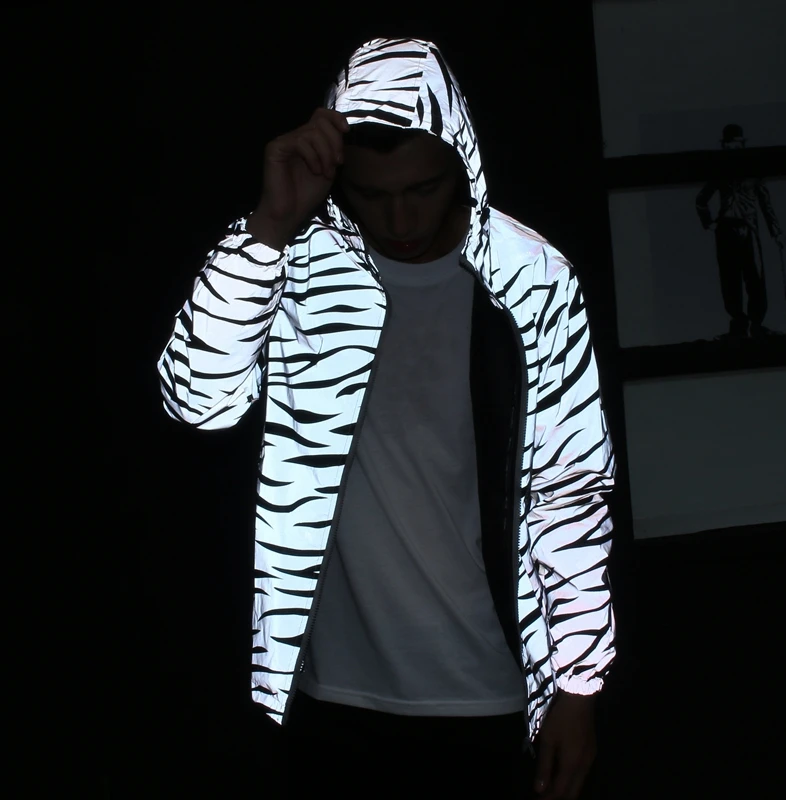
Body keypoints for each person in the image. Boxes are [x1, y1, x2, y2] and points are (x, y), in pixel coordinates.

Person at [158, 38, 616, 798]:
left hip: (490, 689)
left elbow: (569, 489)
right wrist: (267, 229)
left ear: (462, 162)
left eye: (424, 188)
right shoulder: (294, 265)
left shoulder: (530, 275)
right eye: (372, 195)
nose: (400, 217)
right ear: (341, 178)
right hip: (327, 696)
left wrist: (578, 684)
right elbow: (199, 403)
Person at [696, 123, 785, 339]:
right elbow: (701, 199)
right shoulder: (719, 171)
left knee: (755, 278)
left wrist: (776, 232)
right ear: (725, 146)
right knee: (730, 280)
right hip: (726, 230)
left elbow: (765, 203)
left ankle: (756, 325)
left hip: (749, 230)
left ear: (742, 145)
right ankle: (738, 325)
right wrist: (709, 223)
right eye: (729, 145)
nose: (732, 149)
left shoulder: (753, 171)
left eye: (736, 145)